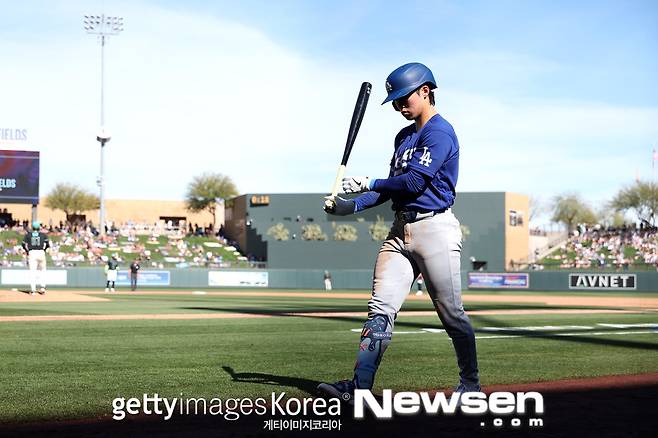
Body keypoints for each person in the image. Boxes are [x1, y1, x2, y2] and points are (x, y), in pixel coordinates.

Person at [319, 62, 480, 402]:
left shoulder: (440, 132)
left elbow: (415, 181)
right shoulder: (403, 137)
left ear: (426, 91)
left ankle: (470, 385)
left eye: (403, 98)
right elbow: (392, 188)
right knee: (380, 309)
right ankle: (360, 387)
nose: (399, 106)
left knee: (452, 315)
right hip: (399, 230)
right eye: (394, 101)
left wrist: (370, 181)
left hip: (435, 228)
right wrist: (352, 206)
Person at [21, 220, 50, 295]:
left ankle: (33, 290)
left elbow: (23, 244)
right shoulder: (43, 235)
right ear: (39, 227)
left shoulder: (28, 235)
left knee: (32, 272)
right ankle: (42, 288)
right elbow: (47, 244)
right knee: (43, 270)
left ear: (32, 227)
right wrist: (44, 250)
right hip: (41, 252)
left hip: (32, 252)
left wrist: (27, 251)